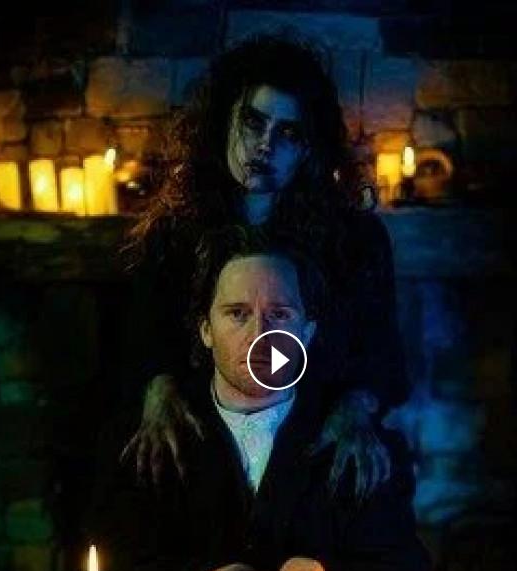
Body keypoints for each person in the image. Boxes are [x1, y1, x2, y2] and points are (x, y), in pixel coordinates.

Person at [87, 230, 429, 571]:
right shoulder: (142, 446)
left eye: (280, 315)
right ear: (205, 330)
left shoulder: (365, 446)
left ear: (307, 332)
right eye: (237, 313)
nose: (260, 334)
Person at [119, 35, 410, 499]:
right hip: (205, 440)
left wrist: (355, 408)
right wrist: (158, 392)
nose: (264, 145)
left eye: (288, 133)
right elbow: (142, 340)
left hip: (310, 437)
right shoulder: (173, 233)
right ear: (225, 120)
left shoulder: (354, 240)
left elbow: (383, 357)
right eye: (253, 122)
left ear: (309, 149)